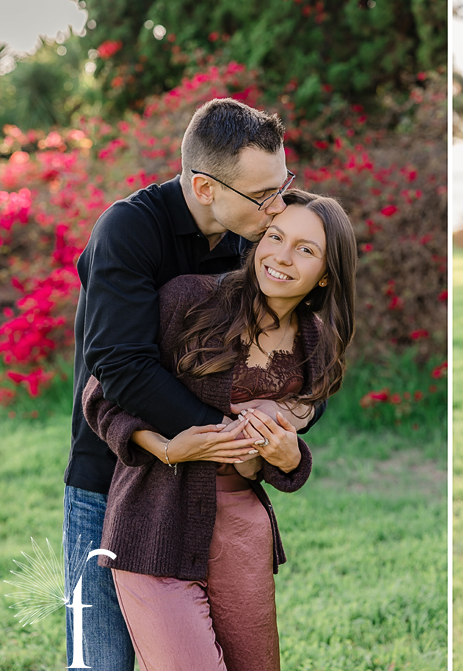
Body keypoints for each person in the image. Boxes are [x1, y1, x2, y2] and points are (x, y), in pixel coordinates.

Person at [64, 98, 322, 669]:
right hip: (109, 469)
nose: (278, 206)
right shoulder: (129, 229)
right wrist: (233, 439)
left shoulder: (255, 239)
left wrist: (290, 420)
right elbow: (121, 365)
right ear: (206, 188)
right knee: (101, 657)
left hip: (201, 489)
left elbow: (295, 350)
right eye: (263, 195)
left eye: (283, 185)